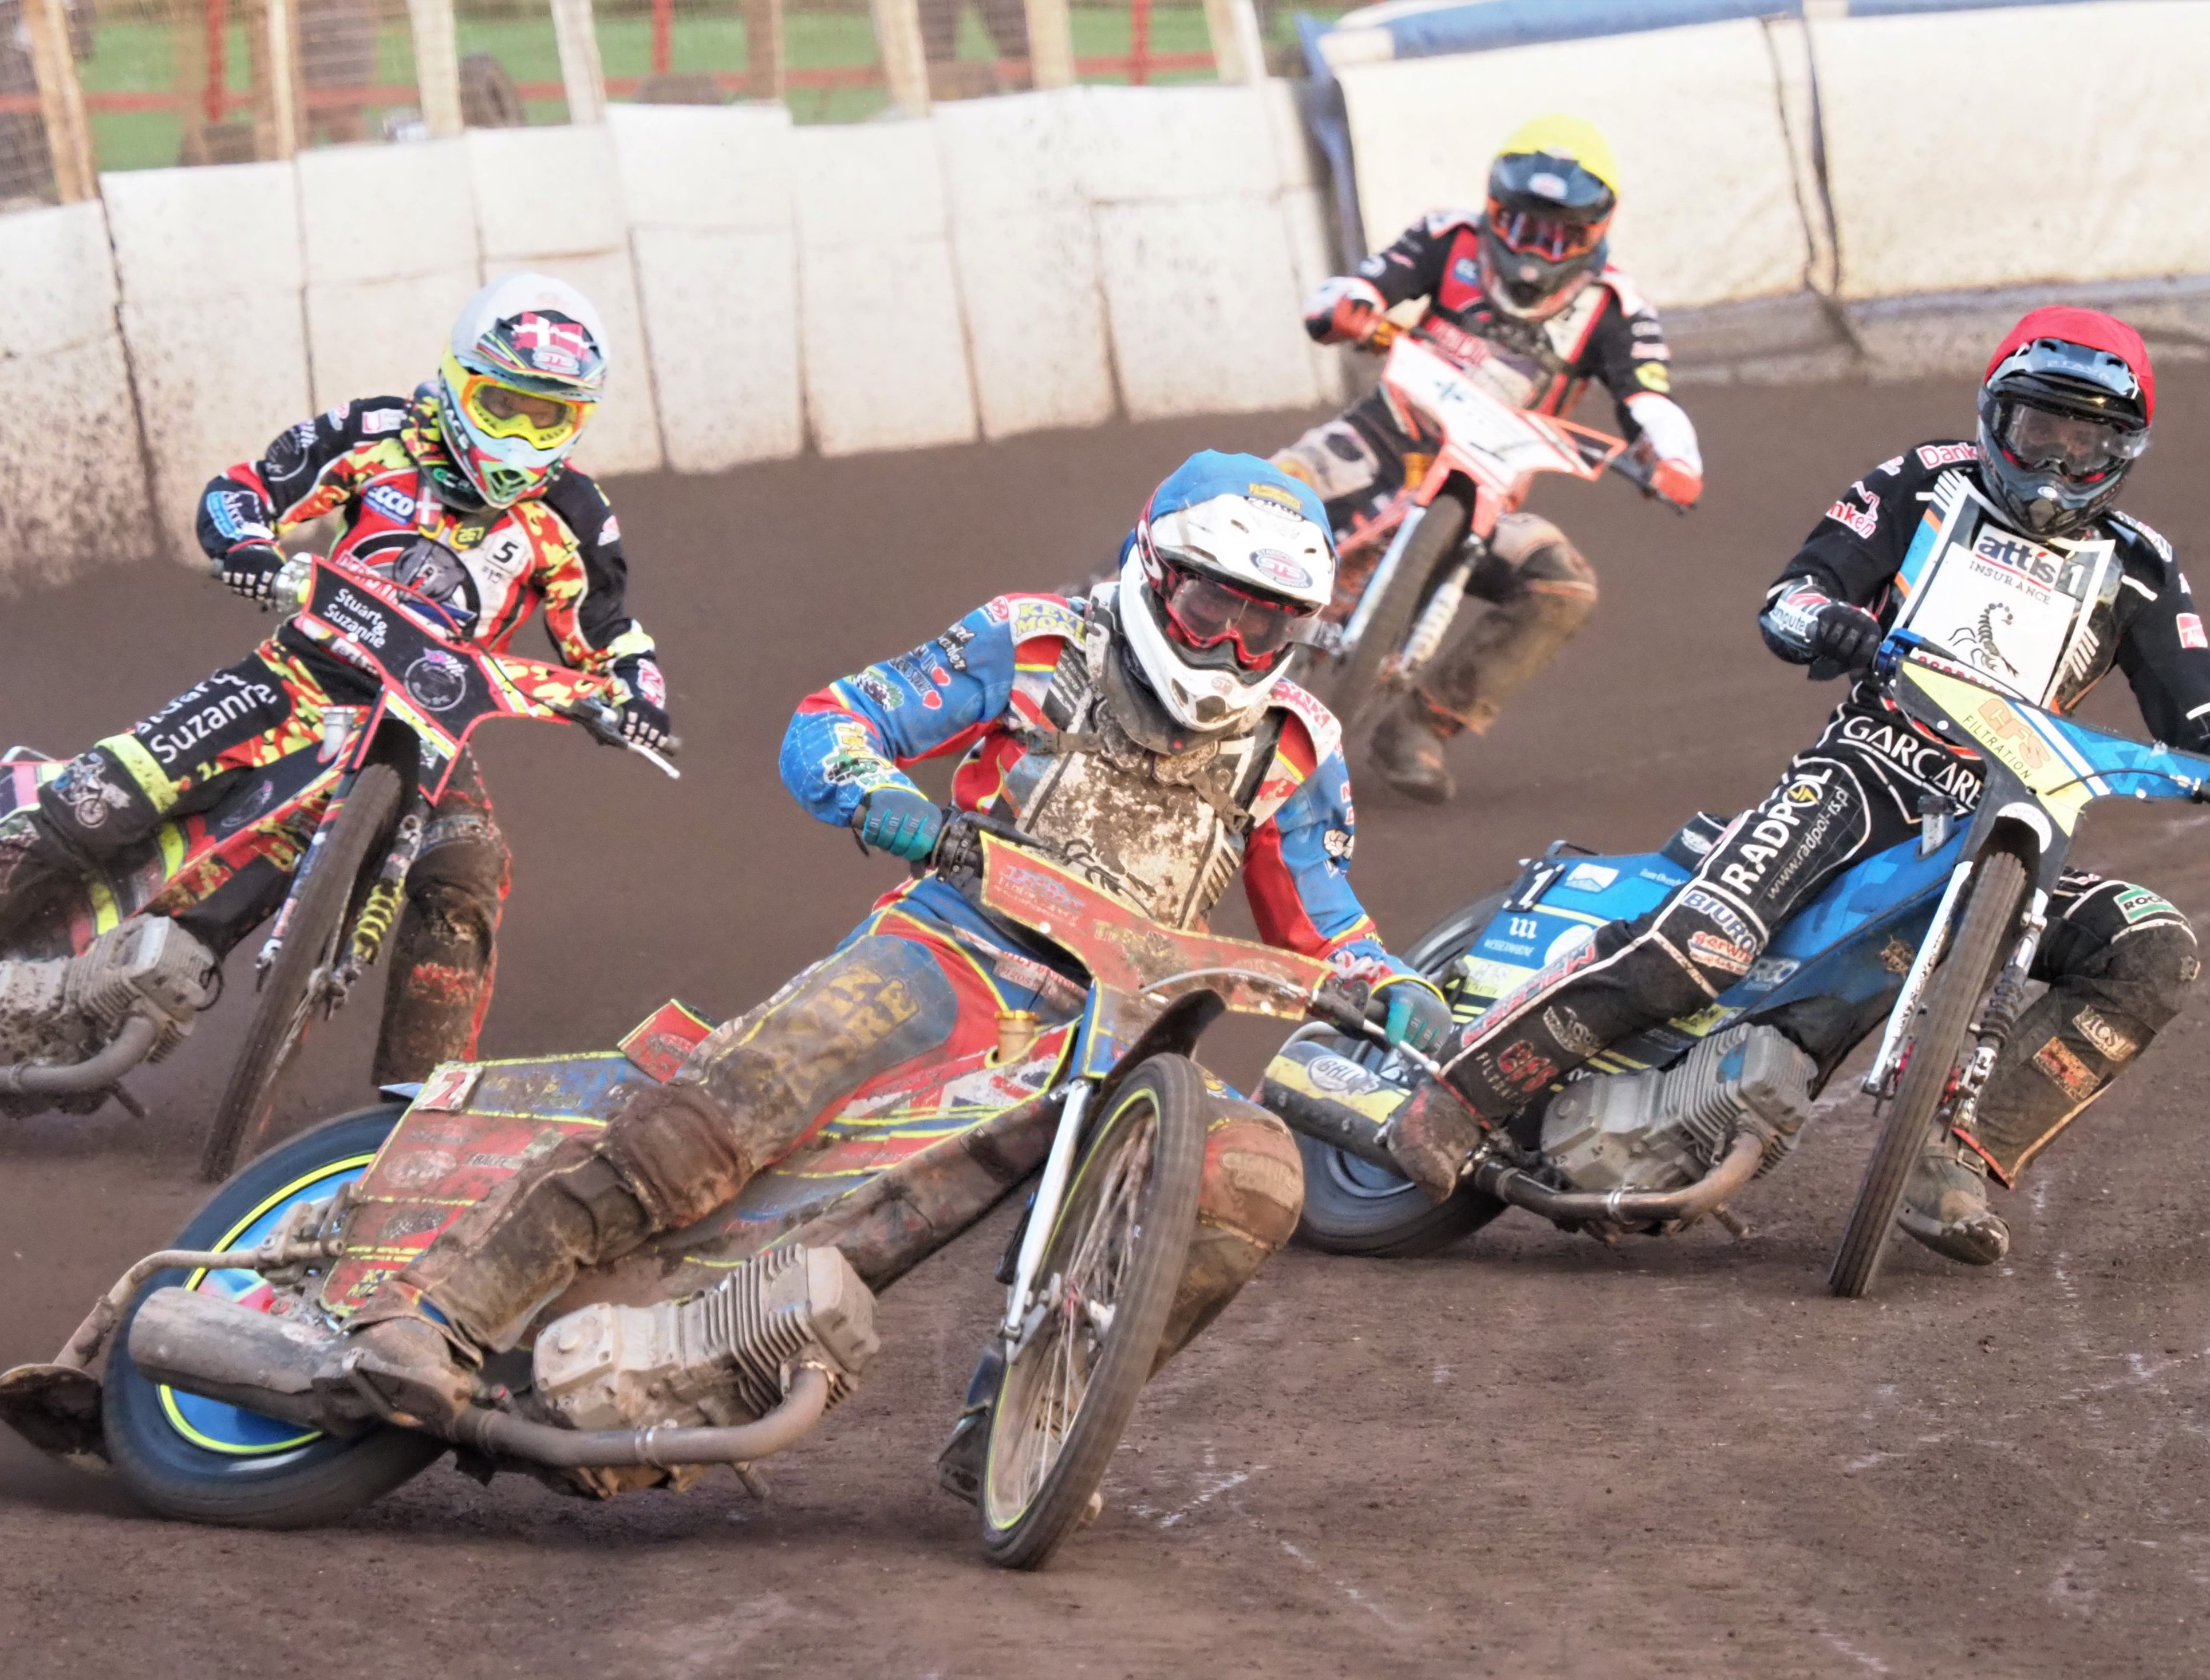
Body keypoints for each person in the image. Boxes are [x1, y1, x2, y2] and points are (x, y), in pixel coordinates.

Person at [334, 451, 1451, 1449]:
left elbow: (1321, 913)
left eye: (1268, 626)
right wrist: (886, 801)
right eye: (1214, 605)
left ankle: (1033, 1414)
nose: (1234, 646)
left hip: (1122, 1024)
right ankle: (436, 1312)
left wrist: (1389, 981)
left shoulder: (1295, 742)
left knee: (1251, 1173)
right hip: (953, 947)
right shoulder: (1036, 641)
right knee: (720, 1119)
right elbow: (832, 721)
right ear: (1154, 569)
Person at [1383, 307, 2210, 1266]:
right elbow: (1796, 591)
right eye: (2040, 429)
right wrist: (1824, 620)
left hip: (2008, 814)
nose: (2054, 462)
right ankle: (1460, 1094)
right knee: (1702, 944)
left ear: (2123, 453)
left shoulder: (2140, 563)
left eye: (2086, 444)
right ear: (1996, 415)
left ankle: (1946, 1154)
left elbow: (2200, 700)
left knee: (2151, 948)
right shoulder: (1924, 479)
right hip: (1866, 770)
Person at [0, 274, 672, 1089]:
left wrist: (637, 695)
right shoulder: (377, 433)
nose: (519, 433)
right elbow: (246, 489)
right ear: (458, 381)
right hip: (297, 677)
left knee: (468, 866)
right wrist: (249, 550)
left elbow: (607, 631)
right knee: (100, 798)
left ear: (577, 420)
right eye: (503, 405)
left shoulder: (576, 515)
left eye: (546, 416)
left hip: (431, 727)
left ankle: (414, 1111)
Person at [1277, 113, 1704, 804]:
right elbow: (1361, 287)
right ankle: (1122, 600)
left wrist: (1673, 455)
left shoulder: (1617, 307)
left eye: (1559, 235)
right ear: (1495, 211)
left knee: (1564, 584)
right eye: (1526, 227)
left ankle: (1421, 725)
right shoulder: (1446, 238)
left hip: (1483, 496)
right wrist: (1350, 307)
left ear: (1594, 231)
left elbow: (1649, 397)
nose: (1538, 249)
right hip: (1372, 443)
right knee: (1260, 493)